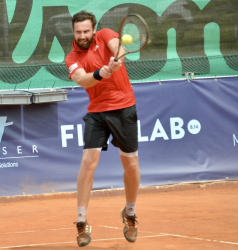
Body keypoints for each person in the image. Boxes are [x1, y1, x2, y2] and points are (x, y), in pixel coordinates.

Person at [65, 10, 141, 246]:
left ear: (93, 30)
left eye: (86, 31)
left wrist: (115, 60)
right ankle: (81, 221)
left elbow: (120, 49)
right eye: (78, 32)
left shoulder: (106, 34)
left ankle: (129, 213)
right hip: (97, 112)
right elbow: (83, 79)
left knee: (131, 164)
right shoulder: (71, 57)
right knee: (88, 162)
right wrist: (101, 72)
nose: (82, 35)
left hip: (124, 107)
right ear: (73, 32)